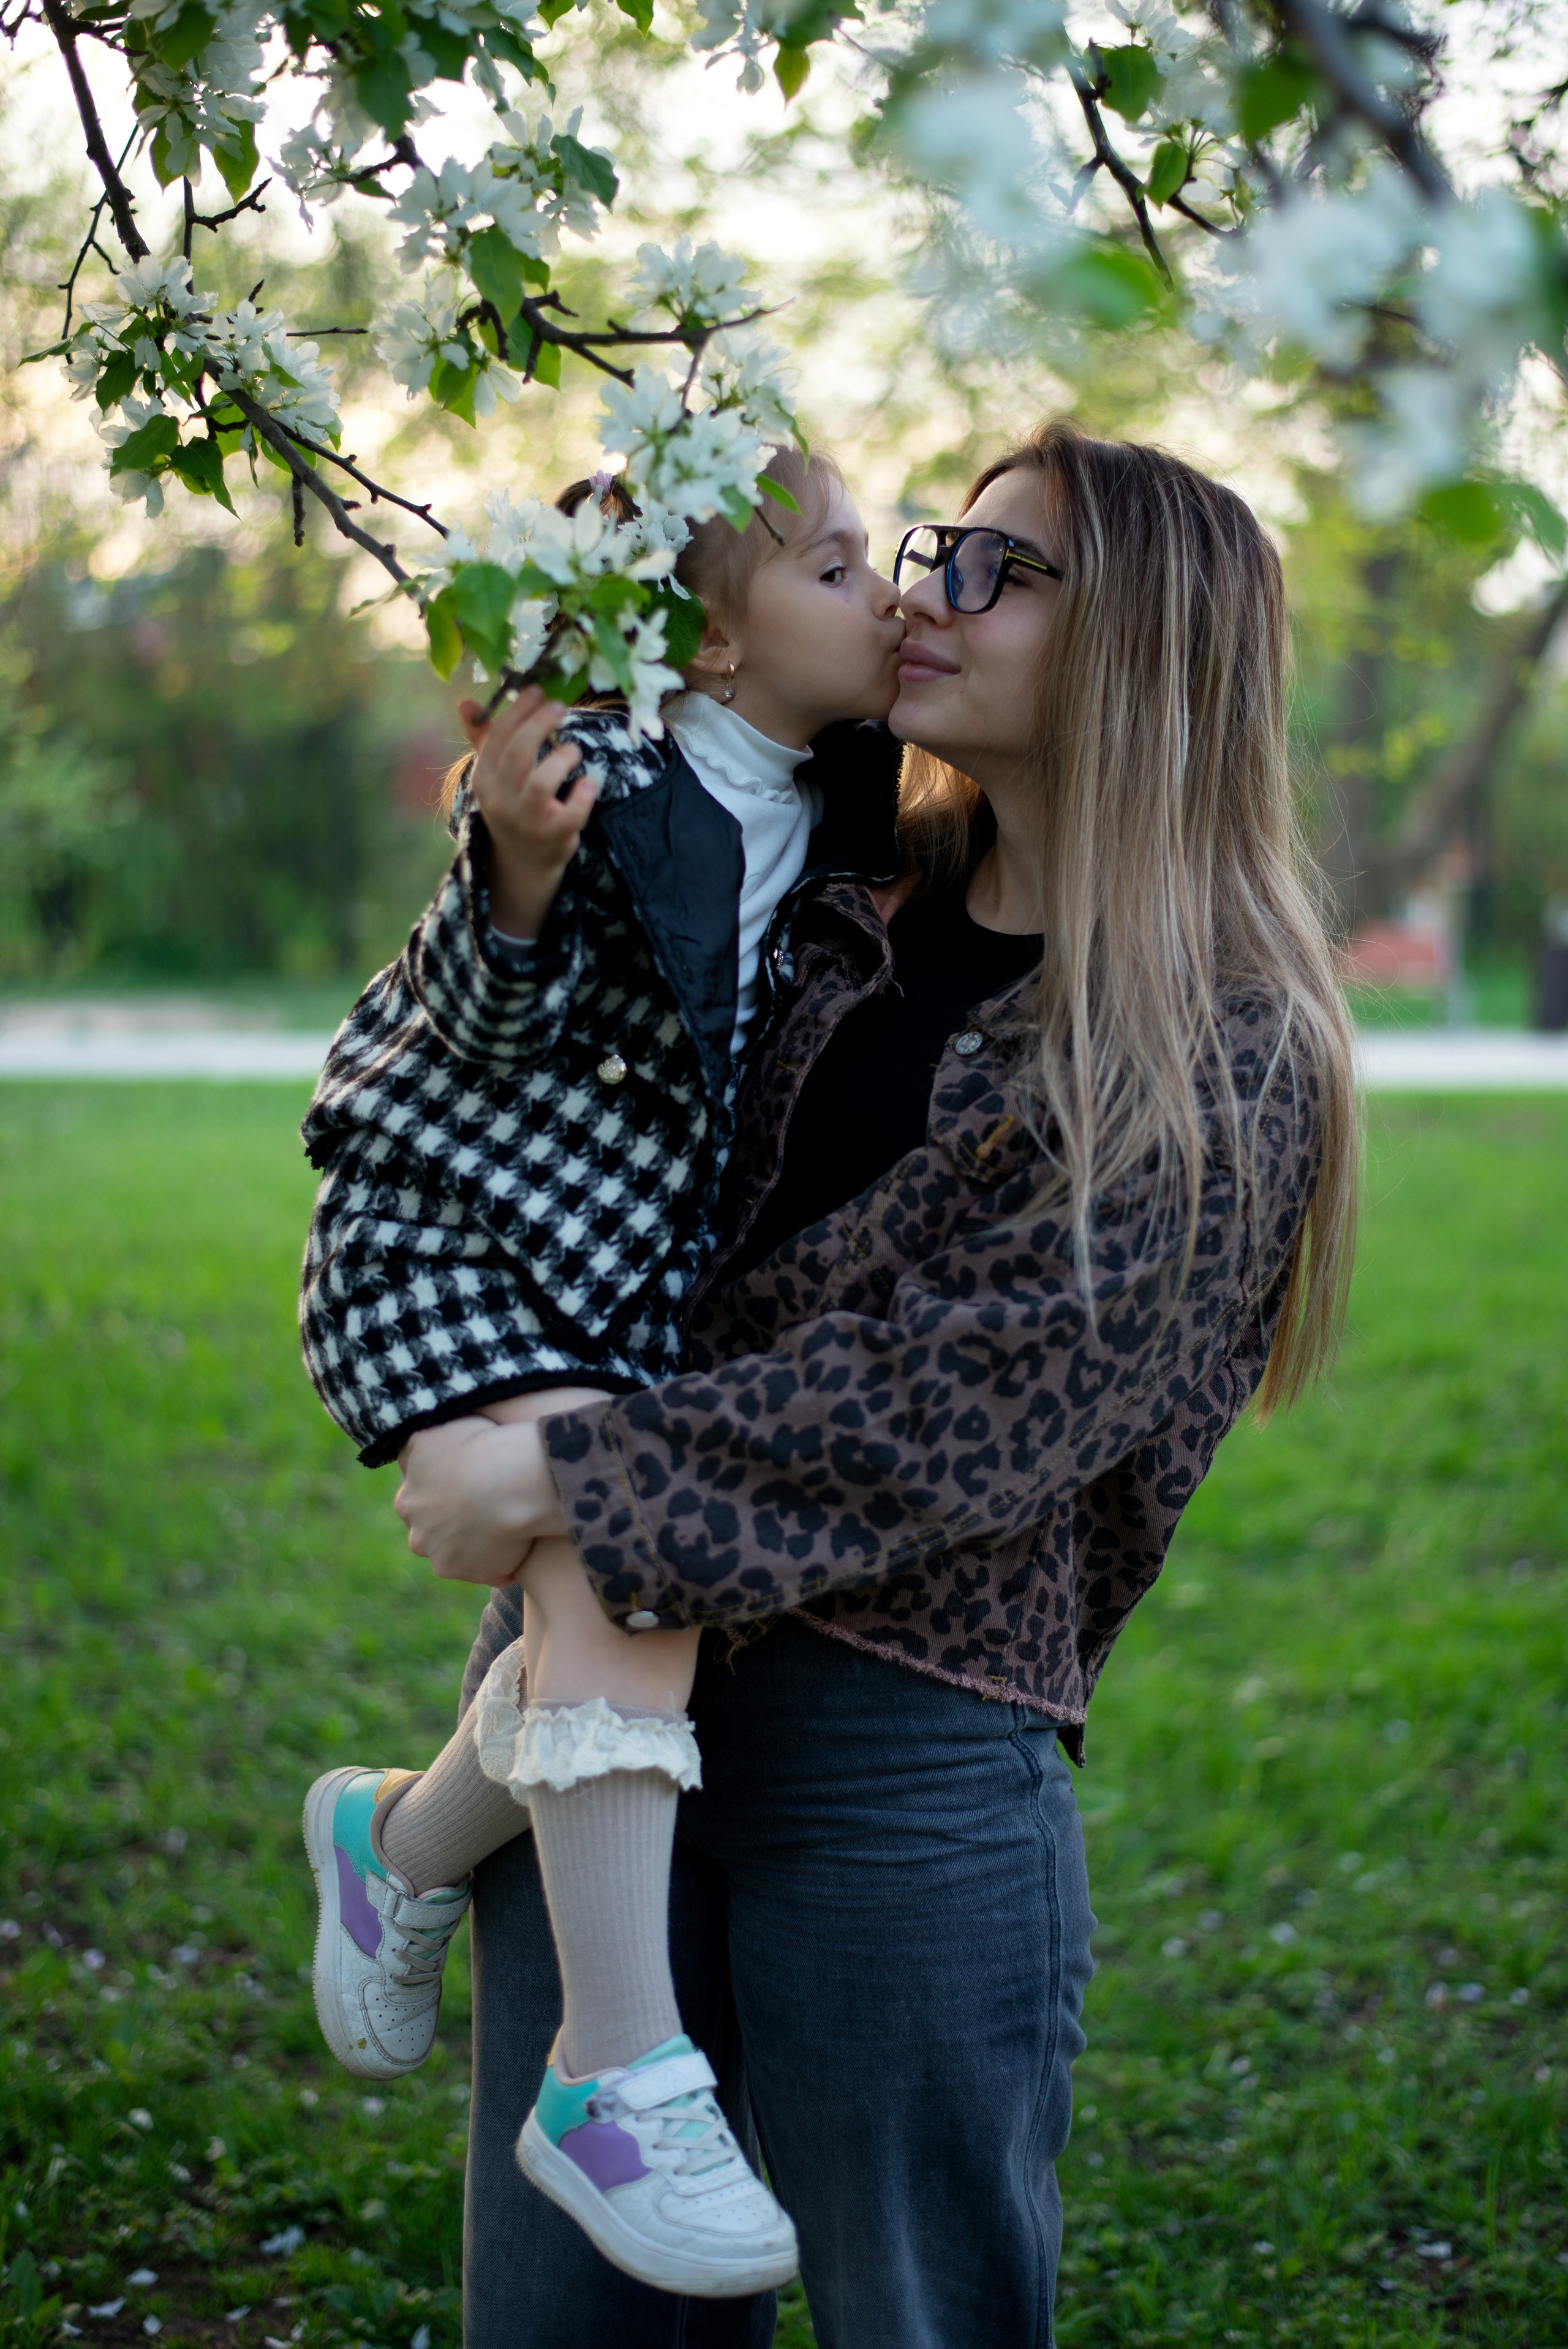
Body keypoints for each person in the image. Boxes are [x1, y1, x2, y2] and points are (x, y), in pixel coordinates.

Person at [394, 420, 1360, 2349]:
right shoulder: (830, 867)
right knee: (570, 2315)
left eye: (1001, 571)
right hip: (607, 1724)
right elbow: (521, 1048)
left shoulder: (1228, 1048)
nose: (927, 592)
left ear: (1148, 653)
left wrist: (567, 1474)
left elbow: (972, 1397)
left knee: (913, 2313)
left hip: (902, 1753)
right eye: (932, 547)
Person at [295, 450, 905, 2298]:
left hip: (615, 1288)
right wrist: (519, 854)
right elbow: (475, 1004)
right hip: (468, 1239)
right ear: (713, 639)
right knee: (636, 1553)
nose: (882, 592)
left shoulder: (845, 792)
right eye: (833, 565)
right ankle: (615, 2068)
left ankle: (392, 1838)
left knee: (609, 1592)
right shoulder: (603, 776)